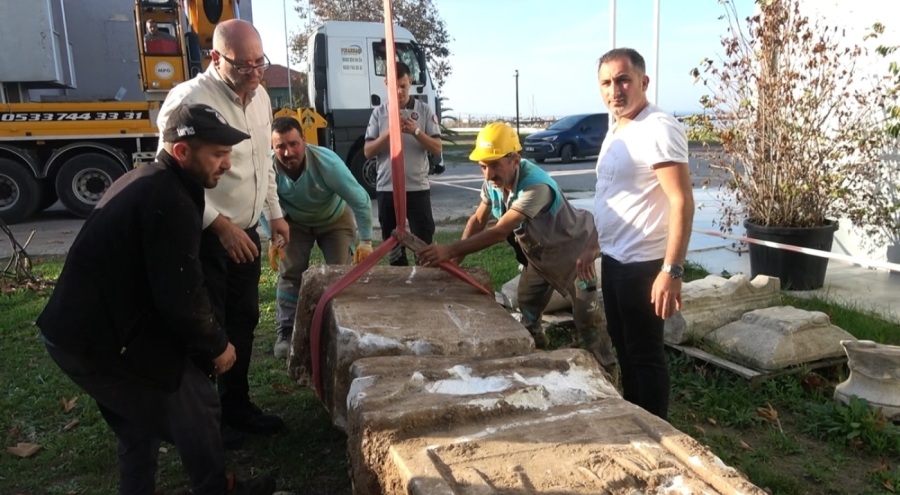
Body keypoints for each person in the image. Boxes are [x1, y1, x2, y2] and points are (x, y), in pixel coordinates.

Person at [37, 103, 275, 494]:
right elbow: (181, 295)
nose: (227, 164)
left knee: (136, 422)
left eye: (229, 153)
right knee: (193, 397)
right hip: (93, 339)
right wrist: (217, 346)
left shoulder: (154, 180)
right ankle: (217, 488)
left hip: (78, 332)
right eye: (218, 154)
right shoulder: (168, 198)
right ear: (182, 151)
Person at [157, 19, 289, 444]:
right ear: (215, 58)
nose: (255, 73)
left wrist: (274, 212)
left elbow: (263, 163)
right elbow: (170, 175)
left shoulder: (261, 96)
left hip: (246, 231)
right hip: (207, 235)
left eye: (260, 63)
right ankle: (205, 421)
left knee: (243, 320)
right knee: (206, 328)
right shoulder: (189, 100)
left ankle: (236, 406)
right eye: (243, 65)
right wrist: (218, 224)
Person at [417, 122, 617, 376]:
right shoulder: (493, 183)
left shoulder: (536, 187)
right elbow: (478, 220)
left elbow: (500, 231)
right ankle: (536, 351)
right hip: (541, 257)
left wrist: (448, 250)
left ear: (515, 160)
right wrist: (456, 260)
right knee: (528, 301)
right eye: (483, 166)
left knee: (588, 318)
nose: (488, 175)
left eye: (495, 165)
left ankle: (607, 371)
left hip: (576, 255)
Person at [579, 47, 695, 420]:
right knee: (625, 349)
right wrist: (594, 244)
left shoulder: (658, 127)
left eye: (623, 80)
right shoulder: (618, 127)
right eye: (606, 83)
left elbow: (681, 201)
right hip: (616, 261)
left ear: (643, 82)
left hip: (645, 264)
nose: (615, 90)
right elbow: (612, 192)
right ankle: (636, 419)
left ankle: (658, 432)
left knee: (645, 355)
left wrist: (671, 270)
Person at [268, 116, 375, 359]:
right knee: (290, 272)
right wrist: (273, 237)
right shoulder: (268, 168)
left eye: (294, 144)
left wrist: (366, 241)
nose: (288, 152)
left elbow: (360, 199)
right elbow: (264, 203)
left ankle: (340, 328)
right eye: (280, 146)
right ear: (272, 147)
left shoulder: (327, 163)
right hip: (294, 222)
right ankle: (286, 332)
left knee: (339, 274)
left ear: (304, 141)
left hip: (334, 219)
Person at [363, 61, 442, 266]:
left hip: (417, 188)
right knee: (394, 248)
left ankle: (424, 279)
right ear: (386, 84)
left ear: (410, 82)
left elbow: (437, 148)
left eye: (403, 86)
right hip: (387, 189)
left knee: (423, 245)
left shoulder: (424, 110)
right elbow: (368, 151)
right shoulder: (379, 113)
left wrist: (416, 131)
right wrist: (389, 132)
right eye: (394, 86)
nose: (399, 91)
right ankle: (400, 280)